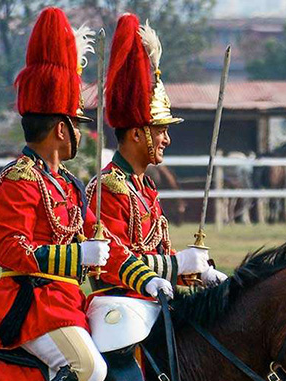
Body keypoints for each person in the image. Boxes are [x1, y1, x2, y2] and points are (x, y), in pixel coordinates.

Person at [0, 8, 169, 381]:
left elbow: (104, 253)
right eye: (77, 124)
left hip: (66, 306)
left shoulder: (67, 183)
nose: (82, 132)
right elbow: (10, 250)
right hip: (32, 305)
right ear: (61, 130)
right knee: (89, 369)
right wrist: (74, 255)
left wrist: (146, 278)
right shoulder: (21, 178)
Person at [87, 14, 227, 304]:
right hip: (120, 305)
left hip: (153, 300)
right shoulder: (108, 187)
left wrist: (198, 272)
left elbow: (158, 256)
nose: (167, 139)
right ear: (137, 135)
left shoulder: (145, 187)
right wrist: (178, 264)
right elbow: (112, 260)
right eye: (160, 131)